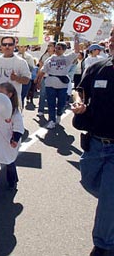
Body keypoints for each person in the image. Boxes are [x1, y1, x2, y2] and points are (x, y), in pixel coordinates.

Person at [71, 28, 114, 256]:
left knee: (108, 198)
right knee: (89, 182)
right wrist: (78, 103)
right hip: (95, 143)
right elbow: (79, 90)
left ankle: (103, 245)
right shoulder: (98, 67)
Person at [0, 37, 31, 165]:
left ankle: (10, 155)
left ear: (15, 45)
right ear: (1, 46)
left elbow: (27, 80)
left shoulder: (20, 62)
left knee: (10, 129)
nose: (7, 47)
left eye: (10, 44)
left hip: (12, 103)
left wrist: (17, 78)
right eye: (4, 44)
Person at [36, 38, 79, 129]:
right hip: (50, 83)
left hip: (62, 85)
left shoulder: (67, 58)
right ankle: (51, 120)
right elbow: (42, 71)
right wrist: (38, 81)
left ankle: (59, 114)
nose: (56, 50)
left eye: (59, 48)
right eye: (56, 48)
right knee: (51, 102)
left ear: (64, 50)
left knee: (61, 103)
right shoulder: (50, 59)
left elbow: (76, 51)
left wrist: (76, 39)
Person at [36, 41, 56, 116]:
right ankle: (40, 110)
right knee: (42, 94)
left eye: (50, 46)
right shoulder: (45, 55)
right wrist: (38, 78)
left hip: (54, 78)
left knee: (52, 95)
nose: (48, 47)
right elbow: (41, 68)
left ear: (54, 47)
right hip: (45, 77)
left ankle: (52, 112)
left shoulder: (57, 56)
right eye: (48, 45)